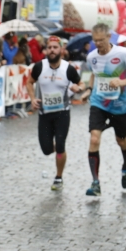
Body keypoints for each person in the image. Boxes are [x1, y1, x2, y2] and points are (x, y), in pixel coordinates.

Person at [80, 23, 126, 196]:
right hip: (99, 103)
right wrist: (89, 89)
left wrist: (123, 82)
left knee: (121, 140)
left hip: (120, 105)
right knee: (94, 139)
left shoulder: (124, 54)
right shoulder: (92, 56)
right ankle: (95, 183)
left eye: (101, 40)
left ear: (109, 37)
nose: (98, 44)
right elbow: (94, 73)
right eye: (95, 41)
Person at [28, 36, 82, 191]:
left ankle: (58, 177)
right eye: (49, 47)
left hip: (62, 114)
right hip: (45, 114)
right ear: (46, 50)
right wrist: (32, 98)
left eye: (55, 47)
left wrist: (78, 88)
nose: (52, 50)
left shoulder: (68, 68)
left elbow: (81, 83)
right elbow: (29, 82)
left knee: (60, 144)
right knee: (46, 149)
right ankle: (59, 149)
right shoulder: (39, 67)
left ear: (61, 50)